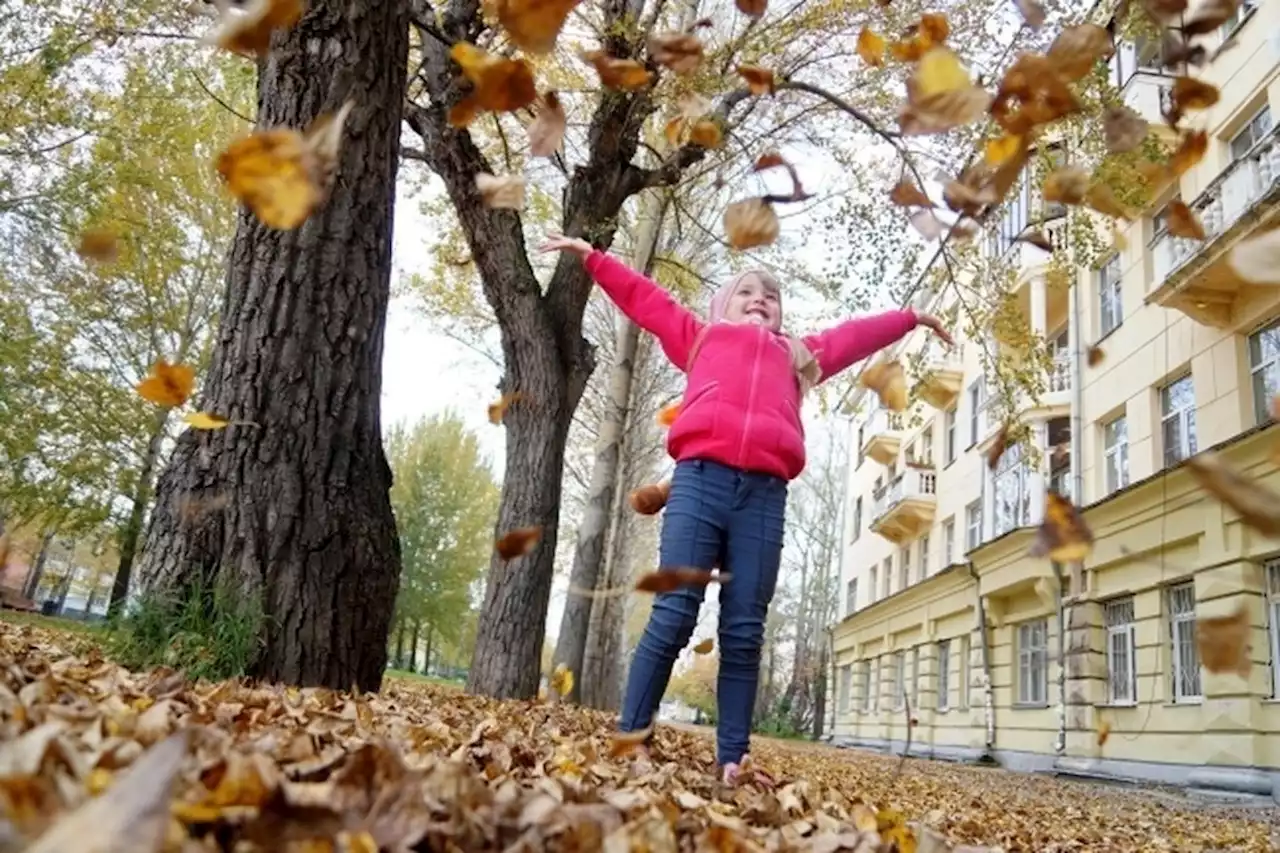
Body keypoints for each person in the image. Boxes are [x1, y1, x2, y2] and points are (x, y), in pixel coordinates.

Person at [538, 233, 953, 784]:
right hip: (699, 484)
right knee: (674, 613)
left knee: (744, 630)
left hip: (763, 498)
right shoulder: (699, 337)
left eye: (771, 296)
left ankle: (733, 758)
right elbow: (645, 299)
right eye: (746, 292)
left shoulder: (798, 355)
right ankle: (632, 736)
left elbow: (853, 337)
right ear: (720, 307)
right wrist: (592, 258)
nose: (761, 299)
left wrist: (910, 318)